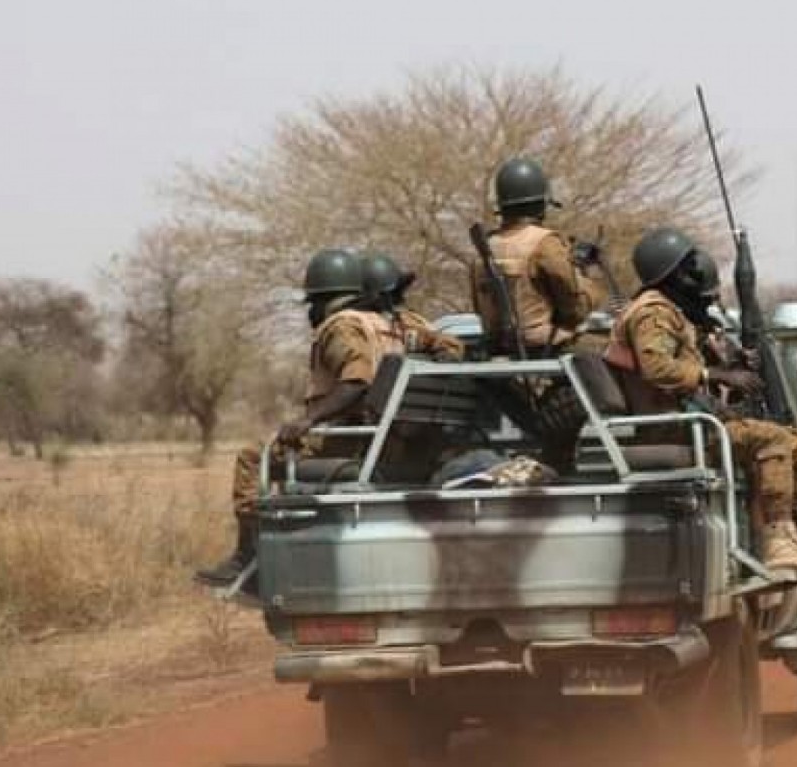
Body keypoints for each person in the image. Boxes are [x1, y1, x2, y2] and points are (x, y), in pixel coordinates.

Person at [196, 249, 464, 588]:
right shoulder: (402, 325)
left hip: (354, 443)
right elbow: (451, 346)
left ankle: (250, 556)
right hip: (395, 442)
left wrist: (309, 420)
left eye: (314, 302)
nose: (311, 311)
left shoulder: (342, 326)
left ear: (327, 300)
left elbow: (356, 382)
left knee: (253, 457)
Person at [604, 227, 797, 571]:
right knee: (771, 439)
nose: (696, 273)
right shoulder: (652, 312)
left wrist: (730, 363)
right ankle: (777, 543)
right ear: (672, 274)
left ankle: (794, 538)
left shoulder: (673, 312)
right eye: (688, 267)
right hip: (677, 429)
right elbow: (656, 369)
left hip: (694, 424)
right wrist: (716, 375)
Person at [472, 157, 595, 357]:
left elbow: (480, 308)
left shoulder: (483, 248)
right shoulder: (545, 243)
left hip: (495, 347)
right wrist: (583, 278)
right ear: (540, 205)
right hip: (543, 345)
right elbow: (574, 311)